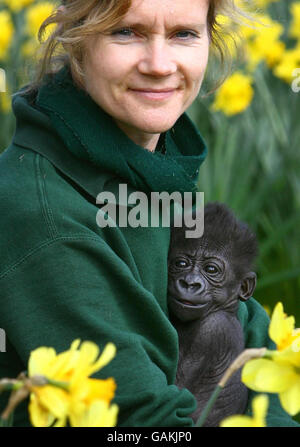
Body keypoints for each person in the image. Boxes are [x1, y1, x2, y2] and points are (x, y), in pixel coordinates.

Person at [0, 0, 298, 427]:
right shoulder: (43, 215)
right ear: (78, 39)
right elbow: (144, 425)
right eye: (126, 32)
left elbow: (247, 329)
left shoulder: (146, 165)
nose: (160, 65)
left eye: (184, 34)